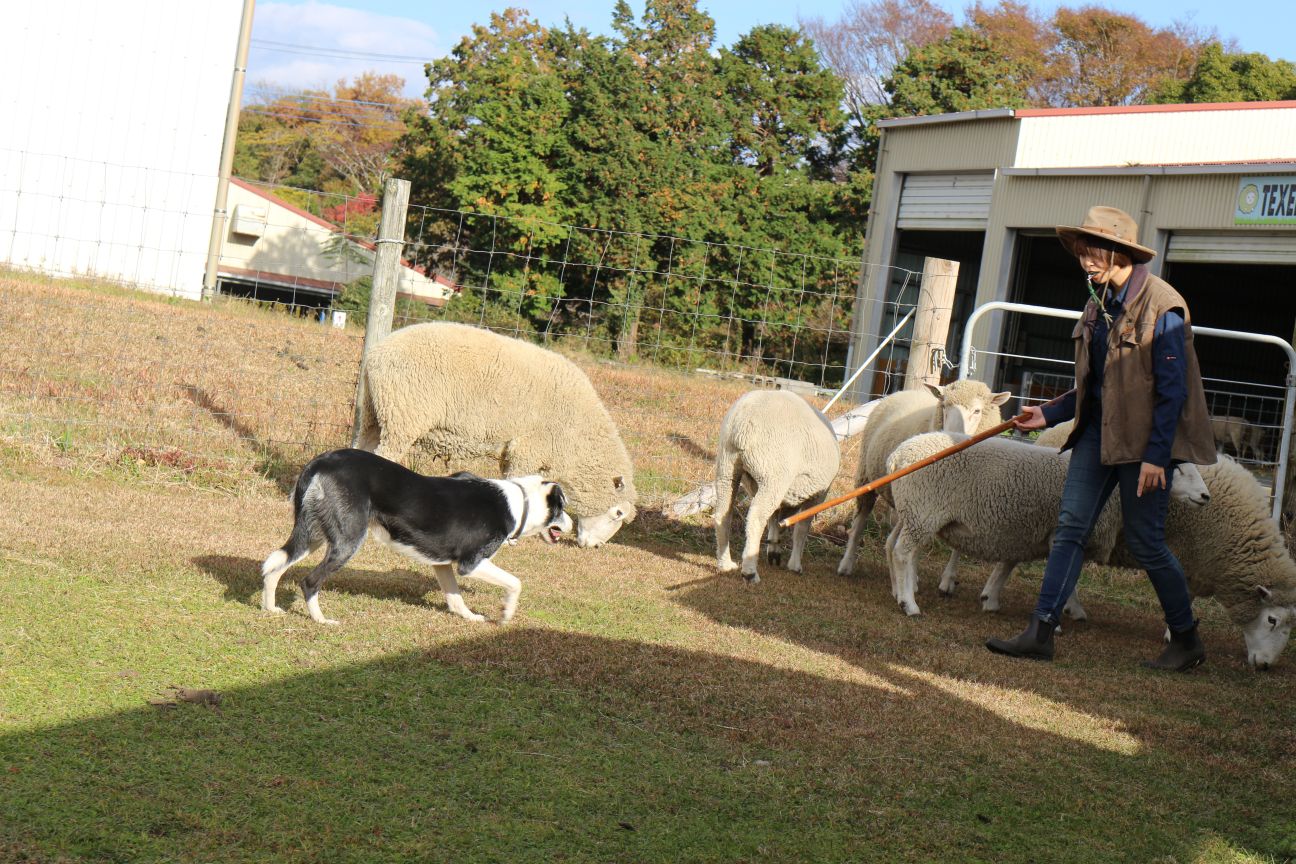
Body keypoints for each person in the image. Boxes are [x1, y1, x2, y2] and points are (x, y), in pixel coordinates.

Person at [985, 205, 1216, 671]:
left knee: (1146, 541)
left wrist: (1157, 458)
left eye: (1094, 251)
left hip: (1144, 445)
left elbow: (1173, 392)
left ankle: (1187, 639)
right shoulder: (1097, 303)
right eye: (1080, 251)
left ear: (1119, 251)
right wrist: (1049, 413)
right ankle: (1040, 632)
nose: (1085, 259)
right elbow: (1098, 385)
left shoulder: (1163, 305)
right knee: (1070, 528)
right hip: (1097, 435)